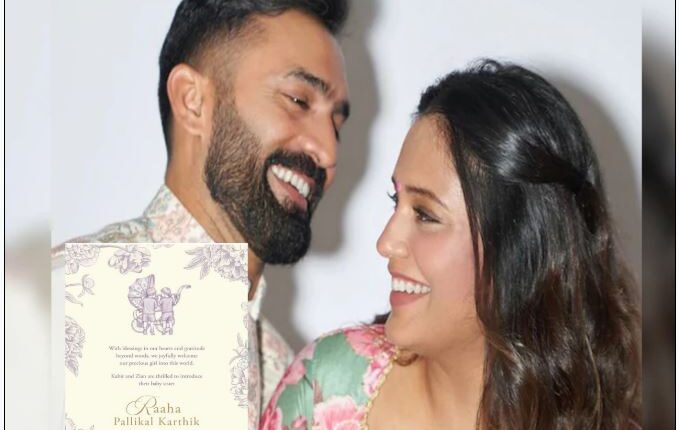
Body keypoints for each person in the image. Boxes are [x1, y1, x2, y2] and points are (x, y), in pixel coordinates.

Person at [260, 60, 640, 430]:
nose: (386, 242)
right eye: (396, 202)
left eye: (426, 215)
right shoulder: (325, 388)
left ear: (518, 250)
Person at [52, 1, 351, 428]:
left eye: (336, 124)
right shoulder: (73, 303)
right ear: (193, 102)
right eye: (298, 100)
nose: (328, 151)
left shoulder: (284, 375)